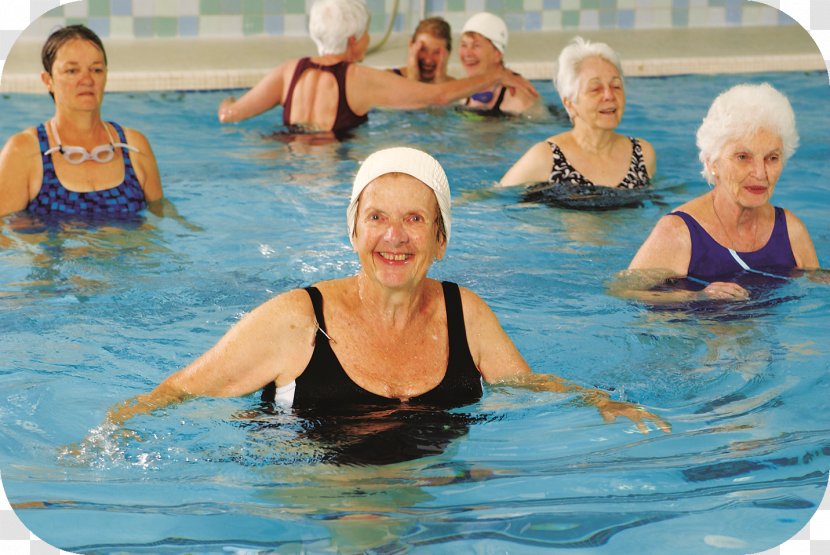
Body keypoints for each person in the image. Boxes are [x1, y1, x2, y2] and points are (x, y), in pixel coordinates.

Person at [104, 147, 669, 435]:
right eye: (376, 217)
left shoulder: (464, 313)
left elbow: (523, 384)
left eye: (415, 221)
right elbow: (178, 391)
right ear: (353, 230)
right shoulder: (297, 320)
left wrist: (599, 400)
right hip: (312, 502)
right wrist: (99, 444)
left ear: (441, 239)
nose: (394, 237)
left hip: (429, 497)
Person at [621, 83, 819, 301]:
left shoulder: (791, 231)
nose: (760, 173)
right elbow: (622, 294)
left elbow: (818, 294)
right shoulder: (678, 233)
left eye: (772, 158)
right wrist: (696, 298)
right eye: (743, 157)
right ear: (712, 162)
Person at [217, 0, 536, 134]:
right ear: (354, 40)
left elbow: (229, 115)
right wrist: (492, 75)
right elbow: (438, 96)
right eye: (367, 32)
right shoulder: (359, 78)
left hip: (287, 167)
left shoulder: (289, 70)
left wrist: (228, 102)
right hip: (332, 178)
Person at [0, 25, 163, 218]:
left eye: (96, 70)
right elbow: (6, 239)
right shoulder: (24, 151)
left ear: (106, 75)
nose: (87, 79)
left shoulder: (134, 146)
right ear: (48, 80)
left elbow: (161, 220)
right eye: (72, 71)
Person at [500, 36, 655, 189]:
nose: (609, 95)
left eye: (616, 86)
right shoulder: (546, 157)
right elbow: (495, 198)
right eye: (595, 89)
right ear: (570, 103)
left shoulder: (642, 155)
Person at [458, 12, 540, 116]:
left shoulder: (516, 98)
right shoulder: (462, 93)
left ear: (497, 54)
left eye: (476, 46)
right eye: (463, 45)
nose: (467, 54)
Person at [389, 16, 454, 84]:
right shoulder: (389, 78)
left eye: (436, 52)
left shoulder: (455, 87)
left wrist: (440, 83)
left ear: (448, 53)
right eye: (423, 49)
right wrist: (413, 78)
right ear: (411, 45)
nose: (428, 60)